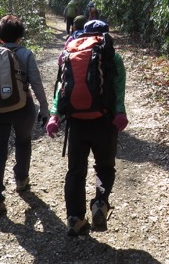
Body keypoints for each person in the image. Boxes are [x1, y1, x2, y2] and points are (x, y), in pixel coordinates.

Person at [46, 20, 128, 236]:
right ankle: (100, 203)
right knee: (104, 167)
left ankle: (75, 218)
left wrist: (55, 115)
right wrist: (120, 112)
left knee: (75, 171)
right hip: (104, 120)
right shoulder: (111, 55)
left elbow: (60, 89)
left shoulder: (69, 53)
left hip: (76, 121)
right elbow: (119, 88)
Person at [0, 15, 50, 218]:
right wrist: (45, 109)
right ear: (20, 36)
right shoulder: (26, 54)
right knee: (23, 142)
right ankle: (21, 180)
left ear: (0, 36)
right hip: (23, 107)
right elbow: (36, 83)